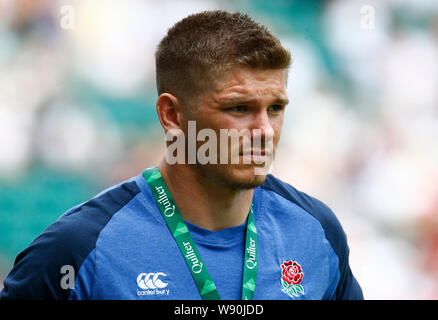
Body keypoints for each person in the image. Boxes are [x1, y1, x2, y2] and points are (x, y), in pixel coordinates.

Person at [0, 10, 363, 300]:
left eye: (275, 108)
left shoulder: (316, 232)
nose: (264, 131)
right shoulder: (77, 250)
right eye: (238, 108)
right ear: (172, 115)